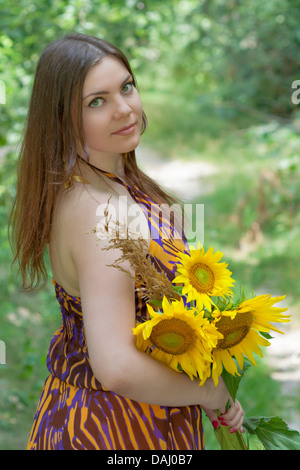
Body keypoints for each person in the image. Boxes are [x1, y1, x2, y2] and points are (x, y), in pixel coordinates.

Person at [10, 33, 244, 450]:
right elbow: (115, 365)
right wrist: (210, 392)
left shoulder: (110, 182)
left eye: (126, 87)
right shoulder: (98, 212)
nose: (123, 110)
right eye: (96, 102)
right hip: (111, 429)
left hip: (140, 414)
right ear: (62, 117)